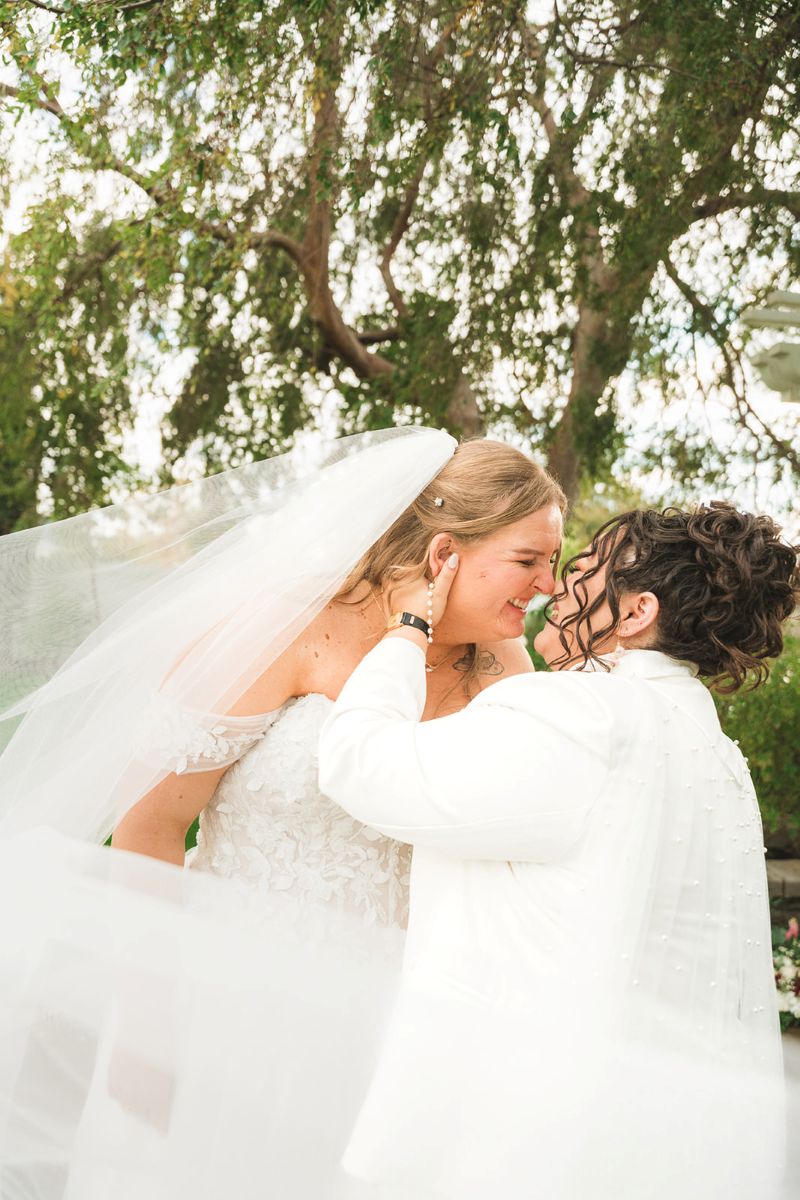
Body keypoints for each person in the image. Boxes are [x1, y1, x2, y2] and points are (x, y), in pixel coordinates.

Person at [0, 426, 565, 1199]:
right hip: (229, 1008)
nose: (547, 585)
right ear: (445, 554)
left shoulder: (503, 666)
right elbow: (150, 824)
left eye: (554, 563)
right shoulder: (289, 629)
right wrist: (145, 1019)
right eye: (529, 560)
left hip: (395, 1033)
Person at [319, 502, 799, 1200]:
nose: (554, 586)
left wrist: (408, 630)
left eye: (582, 570)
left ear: (634, 613)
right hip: (648, 1146)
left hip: (515, 1138)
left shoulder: (580, 715)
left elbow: (359, 765)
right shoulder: (717, 753)